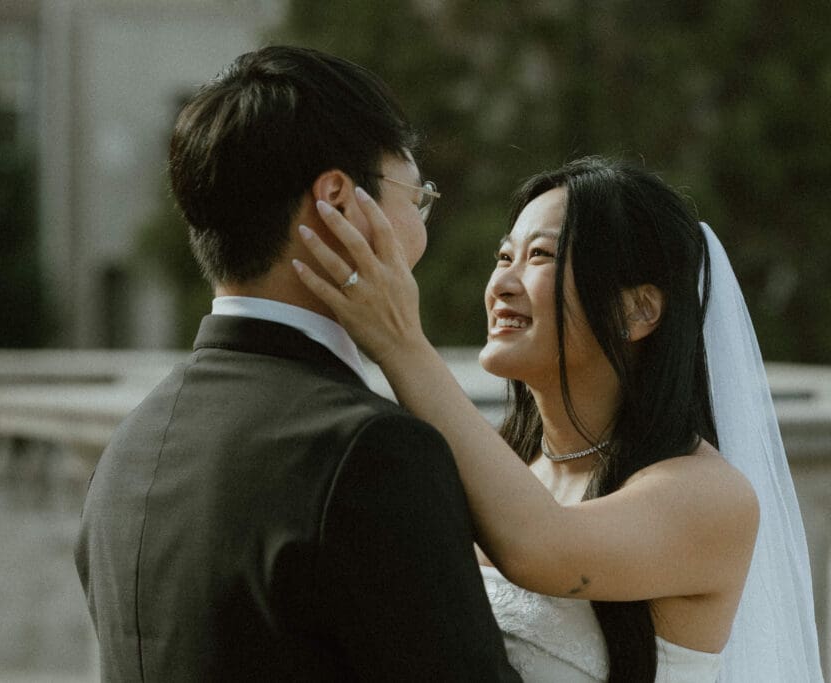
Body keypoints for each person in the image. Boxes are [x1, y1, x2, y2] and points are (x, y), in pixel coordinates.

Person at [73, 45, 520, 682]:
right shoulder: (371, 451)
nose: (420, 224)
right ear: (338, 199)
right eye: (415, 197)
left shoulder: (128, 448)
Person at [293, 156, 824, 681]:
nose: (501, 283)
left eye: (540, 255)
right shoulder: (501, 469)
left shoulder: (711, 497)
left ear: (638, 310)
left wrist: (400, 342)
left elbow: (538, 546)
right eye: (504, 257)